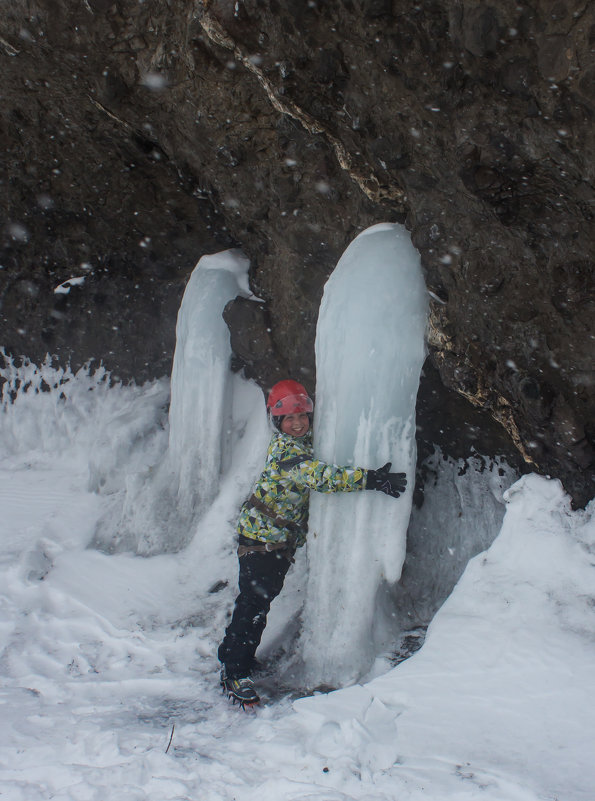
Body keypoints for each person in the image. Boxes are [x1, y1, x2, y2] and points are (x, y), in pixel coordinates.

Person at [218, 379, 407, 706]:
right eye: (290, 418)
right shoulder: (289, 454)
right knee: (253, 605)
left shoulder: (295, 443)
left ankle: (237, 656)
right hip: (262, 541)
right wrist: (372, 478)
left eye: (303, 416)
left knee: (256, 604)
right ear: (277, 422)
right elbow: (323, 478)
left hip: (271, 540)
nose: (298, 423)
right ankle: (234, 670)